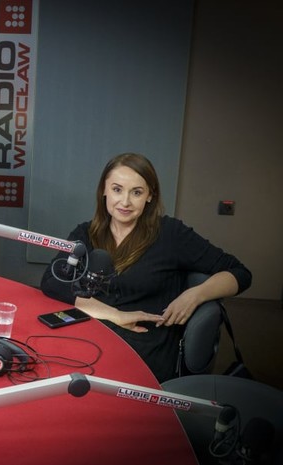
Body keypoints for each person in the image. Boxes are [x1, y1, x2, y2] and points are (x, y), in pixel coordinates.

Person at [40, 153, 252, 382]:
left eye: (137, 192)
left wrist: (195, 295)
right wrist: (116, 315)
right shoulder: (86, 233)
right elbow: (52, 282)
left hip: (144, 350)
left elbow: (240, 273)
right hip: (94, 336)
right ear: (104, 190)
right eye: (117, 189)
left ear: (150, 195)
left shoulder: (171, 234)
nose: (125, 202)